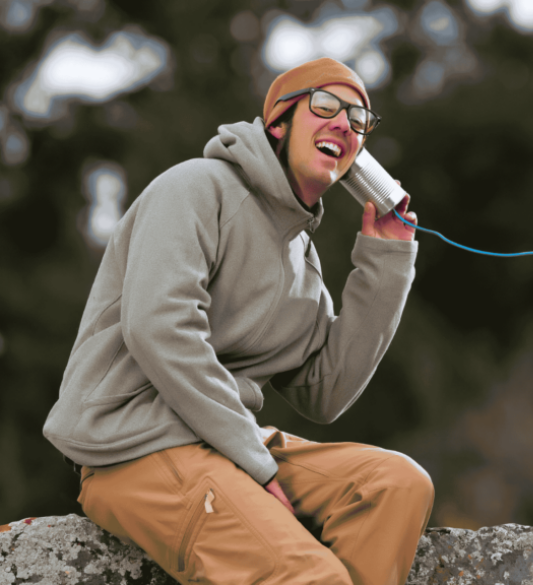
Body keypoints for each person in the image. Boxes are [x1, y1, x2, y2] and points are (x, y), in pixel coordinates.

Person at [43, 57, 434, 585]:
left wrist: (385, 262)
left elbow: (326, 392)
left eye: (360, 120)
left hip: (227, 447)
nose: (344, 124)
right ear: (277, 123)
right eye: (325, 106)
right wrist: (257, 464)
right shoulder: (196, 187)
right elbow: (159, 327)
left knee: (395, 483)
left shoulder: (304, 261)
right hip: (132, 446)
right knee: (312, 577)